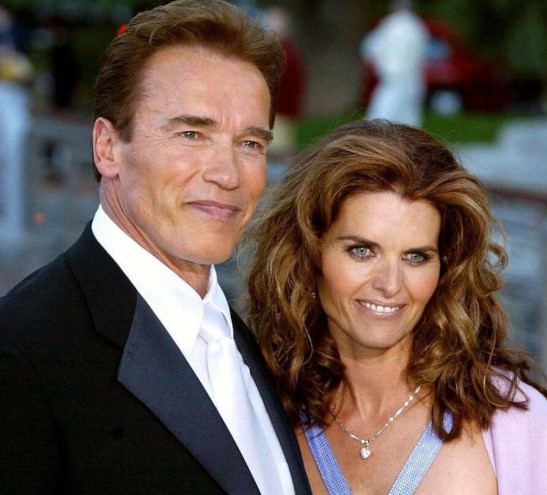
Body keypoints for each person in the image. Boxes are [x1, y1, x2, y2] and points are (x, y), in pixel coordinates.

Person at [0, 1, 312, 494]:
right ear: (107, 147)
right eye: (191, 133)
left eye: (250, 144)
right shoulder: (22, 354)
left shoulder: (247, 337)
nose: (228, 175)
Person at [246, 119, 547, 494]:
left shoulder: (512, 421)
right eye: (362, 251)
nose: (390, 284)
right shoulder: (261, 412)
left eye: (416, 257)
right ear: (309, 254)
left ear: (445, 268)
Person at [360, 0, 428, 126]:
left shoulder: (390, 24)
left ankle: (377, 129)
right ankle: (404, 132)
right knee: (405, 105)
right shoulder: (415, 25)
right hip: (409, 73)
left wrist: (381, 63)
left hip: (392, 71)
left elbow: (372, 47)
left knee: (389, 102)